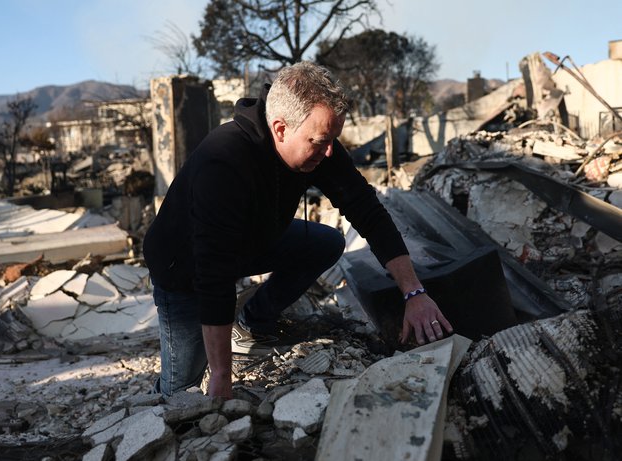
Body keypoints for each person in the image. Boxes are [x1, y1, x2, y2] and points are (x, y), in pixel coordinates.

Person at [143, 61, 453, 399]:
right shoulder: (223, 161)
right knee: (181, 394)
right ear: (280, 129)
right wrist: (221, 374)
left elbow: (366, 209)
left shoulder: (319, 142)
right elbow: (213, 274)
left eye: (333, 139)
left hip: (254, 239)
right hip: (183, 266)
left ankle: (250, 324)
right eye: (320, 141)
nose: (330, 151)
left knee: (326, 243)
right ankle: (167, 394)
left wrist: (413, 292)